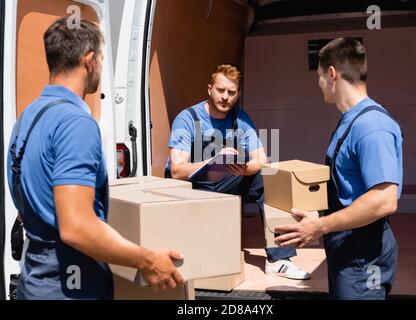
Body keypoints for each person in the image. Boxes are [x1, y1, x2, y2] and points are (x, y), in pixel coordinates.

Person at [7, 17, 184, 300]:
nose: (100, 67)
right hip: (70, 289)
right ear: (89, 61)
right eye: (101, 59)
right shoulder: (76, 123)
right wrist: (146, 260)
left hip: (34, 281)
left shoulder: (27, 117)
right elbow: (76, 227)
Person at [275, 38, 403, 299]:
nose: (319, 83)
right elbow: (347, 187)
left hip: (363, 256)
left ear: (332, 73)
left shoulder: (372, 126)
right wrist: (315, 213)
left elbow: (384, 200)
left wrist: (320, 226)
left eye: (320, 76)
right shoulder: (350, 121)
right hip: (346, 248)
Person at [166, 64, 310, 280]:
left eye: (231, 93)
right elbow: (177, 170)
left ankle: (279, 259)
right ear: (209, 89)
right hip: (193, 189)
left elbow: (261, 159)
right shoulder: (187, 119)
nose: (225, 97)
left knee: (270, 178)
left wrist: (244, 169)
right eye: (220, 90)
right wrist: (212, 161)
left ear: (237, 95)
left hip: (227, 183)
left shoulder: (240, 119)